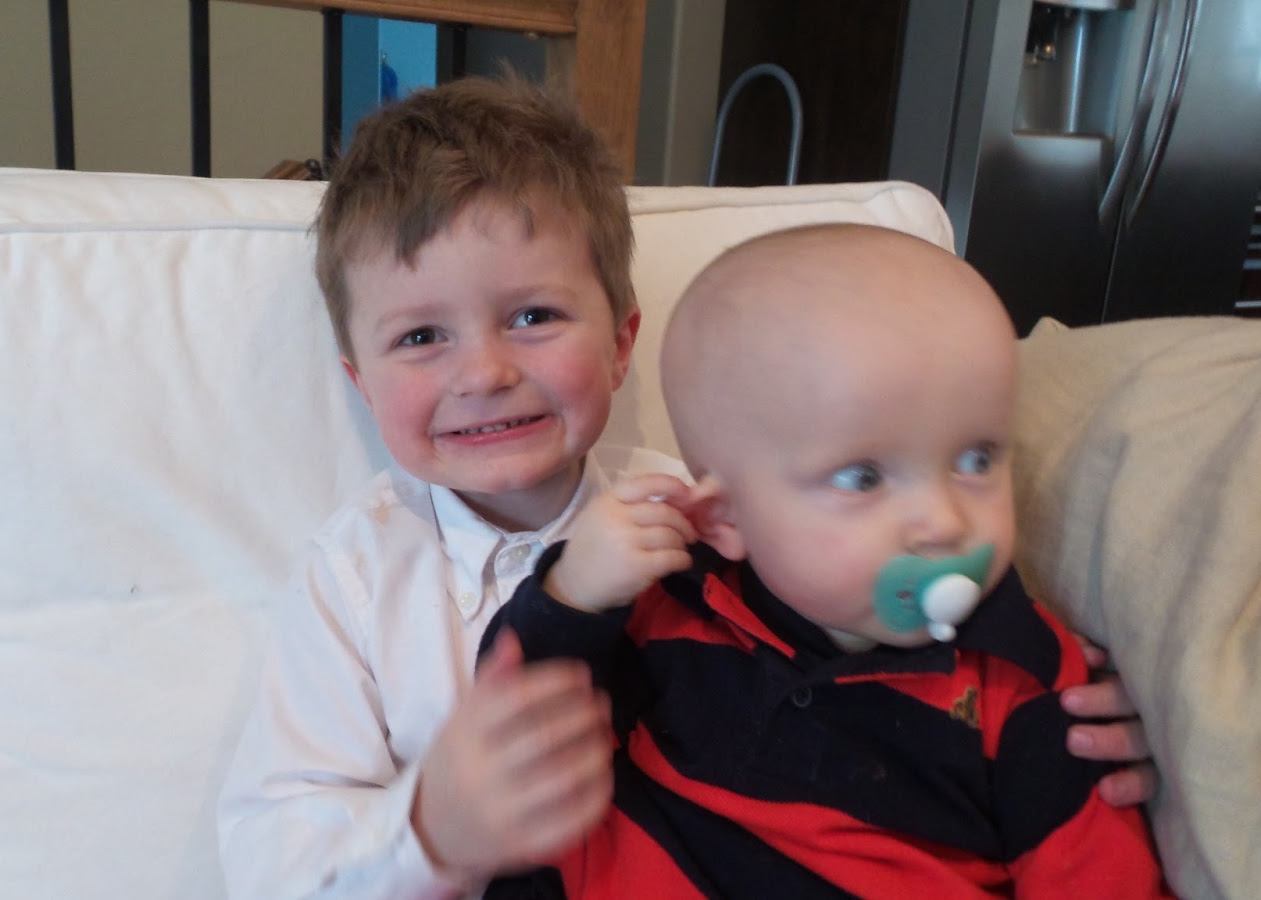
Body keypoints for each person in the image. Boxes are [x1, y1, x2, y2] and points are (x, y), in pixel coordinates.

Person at [215, 76, 1157, 899]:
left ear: (621, 344)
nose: (486, 373)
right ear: (360, 383)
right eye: (422, 338)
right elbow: (269, 859)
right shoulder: (355, 577)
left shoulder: (700, 514)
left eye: (533, 316)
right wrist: (430, 829)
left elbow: (862, 637)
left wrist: (1051, 710)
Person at [481, 223, 1172, 897]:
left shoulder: (1024, 679)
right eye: (863, 478)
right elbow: (511, 726)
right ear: (725, 519)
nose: (944, 522)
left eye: (977, 460)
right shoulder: (669, 601)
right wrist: (573, 594)